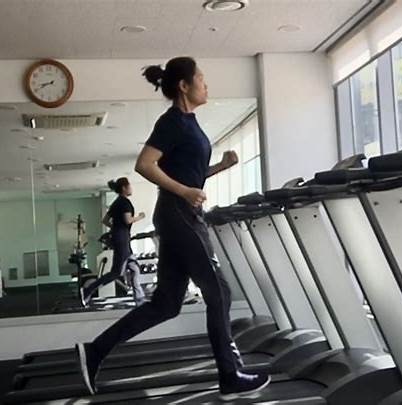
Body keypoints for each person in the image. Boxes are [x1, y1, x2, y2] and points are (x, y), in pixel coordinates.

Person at [76, 57, 271, 401]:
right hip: (180, 214)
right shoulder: (173, 122)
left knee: (167, 303)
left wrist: (220, 167)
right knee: (220, 292)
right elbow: (144, 165)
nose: (206, 85)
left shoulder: (188, 123)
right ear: (184, 85)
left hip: (178, 214)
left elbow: (186, 173)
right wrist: (184, 192)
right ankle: (230, 376)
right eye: (201, 78)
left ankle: (96, 350)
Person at [80, 177, 146, 306]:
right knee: (116, 273)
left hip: (121, 237)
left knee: (134, 268)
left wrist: (116, 228)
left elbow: (105, 220)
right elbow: (128, 220)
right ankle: (88, 290)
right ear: (124, 188)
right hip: (122, 239)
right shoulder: (125, 203)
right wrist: (140, 216)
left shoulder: (116, 203)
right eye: (129, 186)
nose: (131, 188)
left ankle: (139, 298)